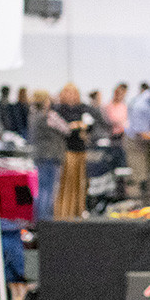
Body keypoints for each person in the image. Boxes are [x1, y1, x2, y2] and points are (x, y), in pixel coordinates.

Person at [53, 84, 94, 219]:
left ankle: (79, 211)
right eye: (68, 92)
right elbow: (63, 129)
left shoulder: (83, 108)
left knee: (81, 182)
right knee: (66, 183)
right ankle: (64, 213)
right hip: (67, 150)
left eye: (73, 93)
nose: (71, 95)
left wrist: (78, 126)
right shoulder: (58, 109)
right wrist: (76, 126)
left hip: (80, 149)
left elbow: (89, 125)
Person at [27, 90, 68, 222]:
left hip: (39, 155)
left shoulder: (32, 115)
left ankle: (37, 221)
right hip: (52, 155)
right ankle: (46, 221)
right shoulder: (50, 116)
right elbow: (66, 129)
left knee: (39, 190)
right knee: (49, 191)